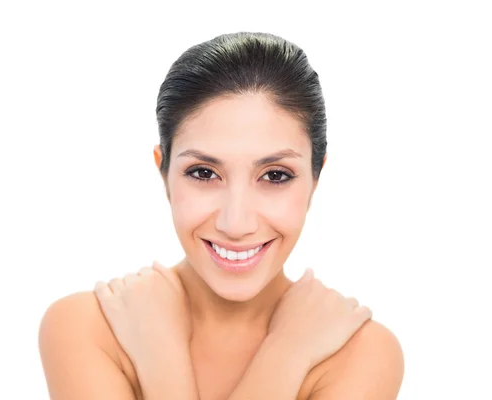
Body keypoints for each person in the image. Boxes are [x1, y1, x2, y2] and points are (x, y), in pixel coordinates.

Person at [38, 32, 404, 400]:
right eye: (203, 173)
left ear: (315, 178)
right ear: (163, 172)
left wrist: (283, 351)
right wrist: (287, 358)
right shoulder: (87, 327)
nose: (236, 223)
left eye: (275, 175)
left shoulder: (362, 352)